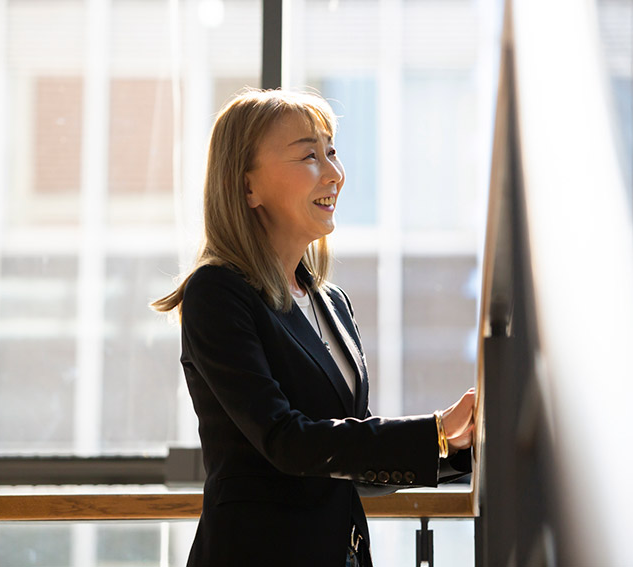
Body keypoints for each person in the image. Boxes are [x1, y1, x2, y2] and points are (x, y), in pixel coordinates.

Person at [152, 89, 475, 566]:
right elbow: (286, 440)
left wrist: (460, 448)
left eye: (332, 152)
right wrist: (433, 433)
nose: (334, 174)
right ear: (247, 188)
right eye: (308, 155)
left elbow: (351, 454)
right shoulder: (216, 292)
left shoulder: (331, 302)